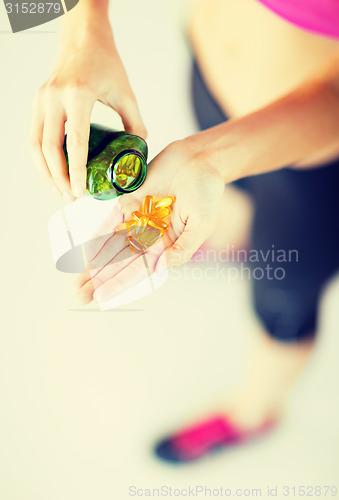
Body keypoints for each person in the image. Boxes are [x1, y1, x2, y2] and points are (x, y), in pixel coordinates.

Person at [29, 0, 339, 463]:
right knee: (228, 202)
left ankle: (254, 413)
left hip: (313, 163)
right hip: (209, 86)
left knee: (283, 306)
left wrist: (209, 159)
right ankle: (232, 241)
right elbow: (25, 6)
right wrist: (82, 28)